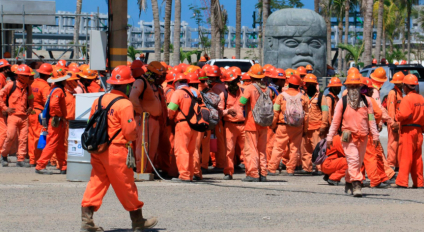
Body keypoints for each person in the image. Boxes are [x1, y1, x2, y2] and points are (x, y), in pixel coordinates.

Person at [80, 65, 157, 231]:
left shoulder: (99, 100)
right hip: (116, 150)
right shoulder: (125, 104)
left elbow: (91, 123)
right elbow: (129, 131)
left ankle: (87, 221)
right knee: (126, 184)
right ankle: (138, 221)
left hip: (98, 149)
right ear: (127, 84)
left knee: (96, 182)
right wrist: (133, 139)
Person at [326, 72, 379, 197]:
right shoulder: (342, 102)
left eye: (356, 86)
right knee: (353, 160)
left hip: (363, 136)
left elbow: (371, 119)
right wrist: (330, 137)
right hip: (348, 137)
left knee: (357, 162)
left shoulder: (367, 101)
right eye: (351, 86)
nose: (354, 89)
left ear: (360, 87)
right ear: (347, 88)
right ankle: (357, 184)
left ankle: (349, 180)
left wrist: (375, 135)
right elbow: (335, 121)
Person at [268, 74, 309, 176]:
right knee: (295, 149)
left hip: (283, 126)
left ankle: (272, 169)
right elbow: (307, 115)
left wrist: (273, 125)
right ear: (298, 85)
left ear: (289, 83)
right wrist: (305, 129)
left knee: (278, 148)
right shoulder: (303, 97)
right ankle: (290, 170)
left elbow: (275, 112)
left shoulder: (281, 96)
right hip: (298, 127)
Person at [239, 64, 272, 182]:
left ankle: (253, 174)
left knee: (251, 150)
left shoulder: (250, 88)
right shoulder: (268, 89)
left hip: (252, 124)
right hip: (264, 123)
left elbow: (241, 102)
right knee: (262, 150)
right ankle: (263, 173)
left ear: (251, 76)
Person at [129, 61, 164, 174]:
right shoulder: (141, 82)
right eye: (159, 75)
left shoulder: (152, 84)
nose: (162, 77)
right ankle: (141, 170)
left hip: (154, 120)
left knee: (152, 147)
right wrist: (141, 112)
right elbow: (133, 98)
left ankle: (148, 170)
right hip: (144, 119)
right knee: (143, 146)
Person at [35, 68, 69, 174]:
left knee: (59, 144)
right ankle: (40, 165)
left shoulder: (53, 88)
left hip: (56, 120)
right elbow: (54, 104)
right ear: (62, 80)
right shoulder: (58, 90)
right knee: (52, 143)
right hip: (57, 121)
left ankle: (63, 166)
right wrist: (59, 115)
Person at [0, 64, 34, 167]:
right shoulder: (11, 85)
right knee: (10, 137)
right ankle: (4, 155)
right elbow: (0, 96)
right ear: (20, 76)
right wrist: (5, 108)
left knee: (23, 139)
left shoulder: (28, 88)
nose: (29, 77)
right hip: (13, 116)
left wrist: (31, 107)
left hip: (24, 117)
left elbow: (31, 99)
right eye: (27, 76)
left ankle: (21, 159)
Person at [394, 74, 424, 188]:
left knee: (405, 157)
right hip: (419, 131)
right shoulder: (421, 99)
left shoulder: (406, 99)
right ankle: (419, 182)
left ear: (406, 86)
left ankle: (402, 182)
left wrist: (397, 116)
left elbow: (403, 114)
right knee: (417, 158)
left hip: (408, 131)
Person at [167, 73, 198, 182]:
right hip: (195, 125)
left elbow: (171, 109)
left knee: (181, 150)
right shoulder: (194, 92)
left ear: (177, 83)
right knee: (190, 151)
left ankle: (184, 175)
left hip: (182, 124)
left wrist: (169, 117)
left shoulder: (177, 93)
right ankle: (190, 175)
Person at [301, 74, 328, 174]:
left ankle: (319, 168)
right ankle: (306, 168)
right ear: (306, 85)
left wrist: (323, 126)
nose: (310, 86)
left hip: (317, 128)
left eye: (312, 84)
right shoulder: (303, 97)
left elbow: (325, 112)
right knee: (305, 150)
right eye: (308, 84)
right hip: (305, 128)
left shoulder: (321, 97)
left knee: (318, 149)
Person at [28, 63, 53, 167]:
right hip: (39, 113)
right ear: (48, 75)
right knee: (40, 136)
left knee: (31, 136)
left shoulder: (33, 83)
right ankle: (38, 159)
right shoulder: (45, 86)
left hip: (31, 112)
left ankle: (32, 159)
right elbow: (47, 102)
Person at [222, 70, 245, 180]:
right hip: (230, 126)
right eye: (230, 82)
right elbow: (218, 111)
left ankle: (250, 172)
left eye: (234, 81)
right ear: (226, 83)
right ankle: (228, 172)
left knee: (247, 150)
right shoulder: (224, 95)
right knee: (229, 150)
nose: (233, 84)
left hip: (244, 125)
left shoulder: (244, 92)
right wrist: (227, 111)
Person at [206, 65, 227, 170]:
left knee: (219, 142)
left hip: (218, 118)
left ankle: (220, 164)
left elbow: (220, 106)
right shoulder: (222, 86)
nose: (210, 79)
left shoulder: (216, 88)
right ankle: (219, 163)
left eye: (212, 77)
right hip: (221, 118)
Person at [266, 68, 286, 164]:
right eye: (283, 80)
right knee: (270, 143)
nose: (285, 81)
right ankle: (269, 163)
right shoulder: (271, 91)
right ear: (279, 80)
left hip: (277, 120)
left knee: (276, 143)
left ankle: (274, 163)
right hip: (271, 121)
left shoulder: (278, 90)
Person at [386, 72, 405, 169]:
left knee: (398, 143)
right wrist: (393, 123)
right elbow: (391, 109)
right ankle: (391, 164)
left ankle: (396, 163)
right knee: (392, 144)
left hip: (398, 122)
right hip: (393, 122)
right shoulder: (393, 93)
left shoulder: (399, 92)